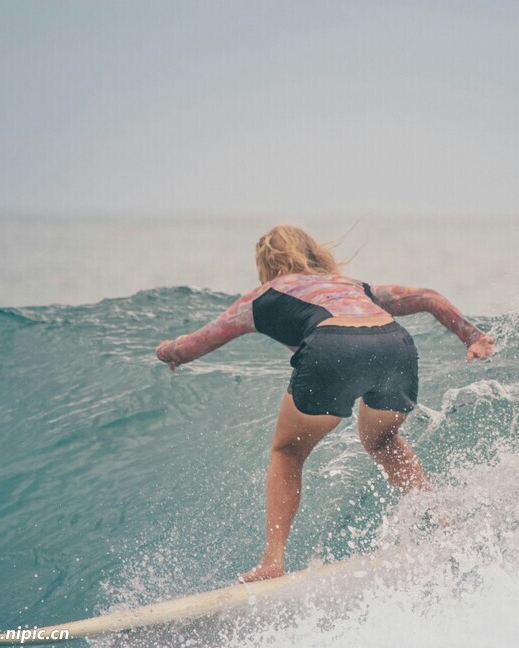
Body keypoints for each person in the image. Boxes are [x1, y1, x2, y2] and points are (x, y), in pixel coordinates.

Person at [155, 224, 494, 582]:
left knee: (287, 452)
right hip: (395, 346)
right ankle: (443, 516)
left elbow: (192, 346)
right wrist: (472, 336)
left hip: (334, 347)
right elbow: (427, 296)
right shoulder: (356, 288)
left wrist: (166, 351)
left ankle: (272, 561)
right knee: (382, 441)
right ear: (313, 253)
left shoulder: (259, 299)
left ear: (267, 265)